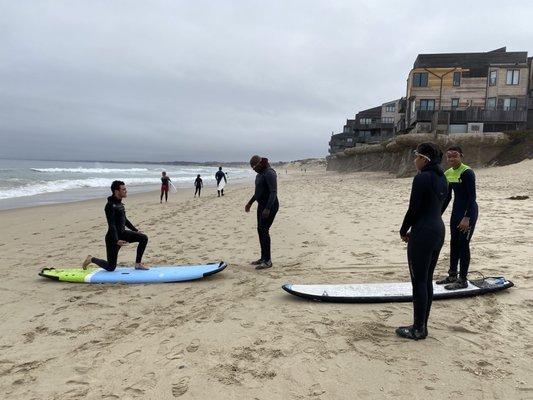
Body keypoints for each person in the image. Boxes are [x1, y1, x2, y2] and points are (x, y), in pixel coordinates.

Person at [397, 143, 448, 340]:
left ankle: (418, 329)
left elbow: (413, 209)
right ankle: (423, 325)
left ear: (424, 159)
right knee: (427, 279)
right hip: (438, 230)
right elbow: (445, 201)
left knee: (418, 280)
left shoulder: (422, 178)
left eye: (416, 157)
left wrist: (403, 230)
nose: (414, 160)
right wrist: (433, 219)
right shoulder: (442, 178)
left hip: (423, 232)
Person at [436, 146, 478, 290]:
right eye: (449, 157)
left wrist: (467, 217)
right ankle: (452, 275)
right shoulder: (447, 173)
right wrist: (437, 214)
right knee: (454, 243)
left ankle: (463, 280)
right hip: (456, 213)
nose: (452, 159)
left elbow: (472, 198)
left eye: (455, 156)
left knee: (463, 244)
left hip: (469, 212)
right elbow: (447, 197)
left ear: (461, 156)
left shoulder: (467, 172)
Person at [82, 180, 149, 271]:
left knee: (143, 238)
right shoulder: (110, 206)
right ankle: (91, 259)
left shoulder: (120, 203)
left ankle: (138, 264)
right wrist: (116, 240)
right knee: (111, 267)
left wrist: (135, 230)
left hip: (123, 234)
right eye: (124, 189)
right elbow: (112, 225)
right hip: (112, 238)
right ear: (117, 191)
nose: (126, 191)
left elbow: (124, 220)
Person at [245, 155, 279, 270]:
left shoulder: (270, 173)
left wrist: (268, 208)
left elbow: (273, 192)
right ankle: (263, 258)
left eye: (254, 167)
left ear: (260, 164)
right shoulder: (259, 174)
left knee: (264, 230)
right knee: (260, 230)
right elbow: (258, 192)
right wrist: (250, 203)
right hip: (261, 205)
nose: (253, 169)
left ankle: (268, 260)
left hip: (271, 205)